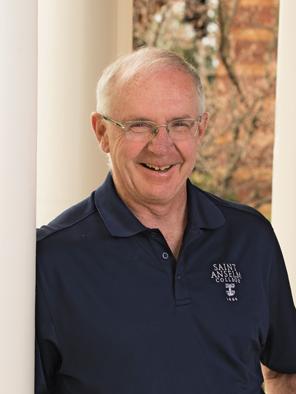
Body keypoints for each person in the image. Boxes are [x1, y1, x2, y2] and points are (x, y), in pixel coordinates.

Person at [35, 47, 296, 394]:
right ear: (101, 132)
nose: (161, 147)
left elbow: (285, 373)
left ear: (200, 129)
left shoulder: (251, 237)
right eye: (139, 126)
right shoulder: (49, 260)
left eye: (179, 124)